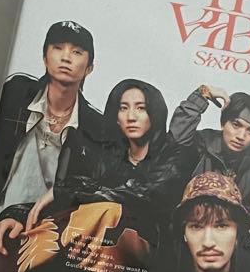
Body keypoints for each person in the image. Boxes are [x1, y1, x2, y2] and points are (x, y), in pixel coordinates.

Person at [0, 20, 109, 251]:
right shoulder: (17, 92)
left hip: (45, 235)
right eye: (58, 48)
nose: (66, 57)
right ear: (44, 58)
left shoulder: (95, 125)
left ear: (89, 67)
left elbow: (86, 188)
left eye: (77, 52)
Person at [22, 78, 197, 245]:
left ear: (155, 114)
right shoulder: (108, 160)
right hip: (98, 249)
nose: (131, 116)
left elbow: (142, 196)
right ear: (116, 117)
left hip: (150, 254)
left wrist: (64, 191)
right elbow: (80, 195)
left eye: (141, 108)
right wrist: (16, 216)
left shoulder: (174, 155)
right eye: (123, 108)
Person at [169, 85, 250, 211]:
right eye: (236, 125)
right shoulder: (203, 142)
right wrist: (201, 95)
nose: (241, 136)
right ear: (223, 123)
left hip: (235, 225)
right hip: (190, 220)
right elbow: (176, 138)